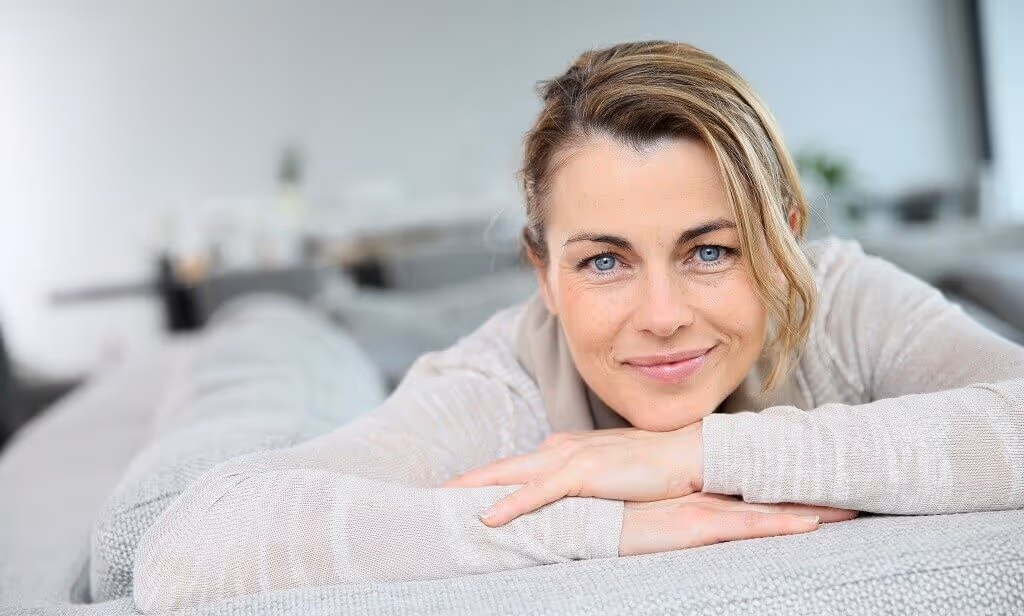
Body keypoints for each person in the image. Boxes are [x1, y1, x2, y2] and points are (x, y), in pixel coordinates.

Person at [132, 41, 1024, 613]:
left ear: (783, 235)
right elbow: (192, 542)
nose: (664, 316)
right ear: (543, 273)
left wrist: (694, 456)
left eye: (711, 251)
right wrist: (609, 526)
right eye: (604, 261)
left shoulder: (842, 297)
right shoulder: (493, 387)